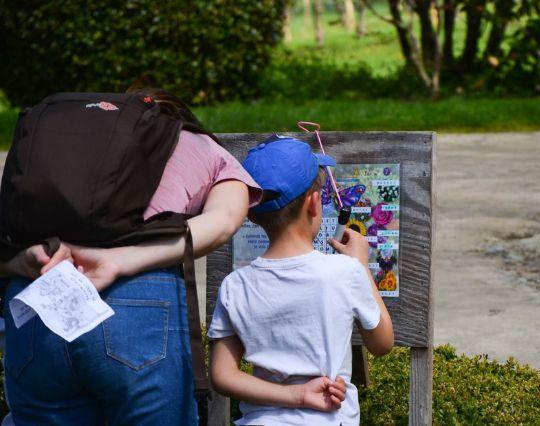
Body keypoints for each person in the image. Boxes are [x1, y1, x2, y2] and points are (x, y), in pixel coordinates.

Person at [0, 88, 345, 425]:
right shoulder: (197, 144)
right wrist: (122, 260)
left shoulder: (60, 148)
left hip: (37, 297)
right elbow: (225, 221)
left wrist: (20, 262)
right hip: (136, 303)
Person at [208, 138, 394, 425]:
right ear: (315, 203)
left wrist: (296, 394)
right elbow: (382, 343)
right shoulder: (344, 272)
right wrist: (361, 265)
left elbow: (222, 375)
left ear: (253, 215)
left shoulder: (235, 285)